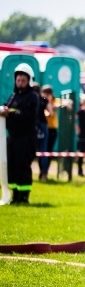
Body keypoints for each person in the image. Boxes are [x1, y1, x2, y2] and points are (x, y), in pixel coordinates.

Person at [0, 64, 40, 204]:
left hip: (26, 138)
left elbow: (28, 115)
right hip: (13, 137)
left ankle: (24, 196)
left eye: (23, 80)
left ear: (28, 81)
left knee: (22, 166)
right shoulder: (13, 96)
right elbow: (7, 107)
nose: (20, 83)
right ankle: (15, 194)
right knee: (11, 166)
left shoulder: (33, 97)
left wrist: (10, 112)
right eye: (18, 80)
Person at [38, 85, 59, 181]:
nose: (45, 95)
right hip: (42, 128)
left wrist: (48, 103)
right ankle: (41, 171)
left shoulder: (54, 100)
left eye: (47, 93)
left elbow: (57, 106)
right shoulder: (40, 101)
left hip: (52, 129)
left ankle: (45, 172)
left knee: (48, 151)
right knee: (41, 151)